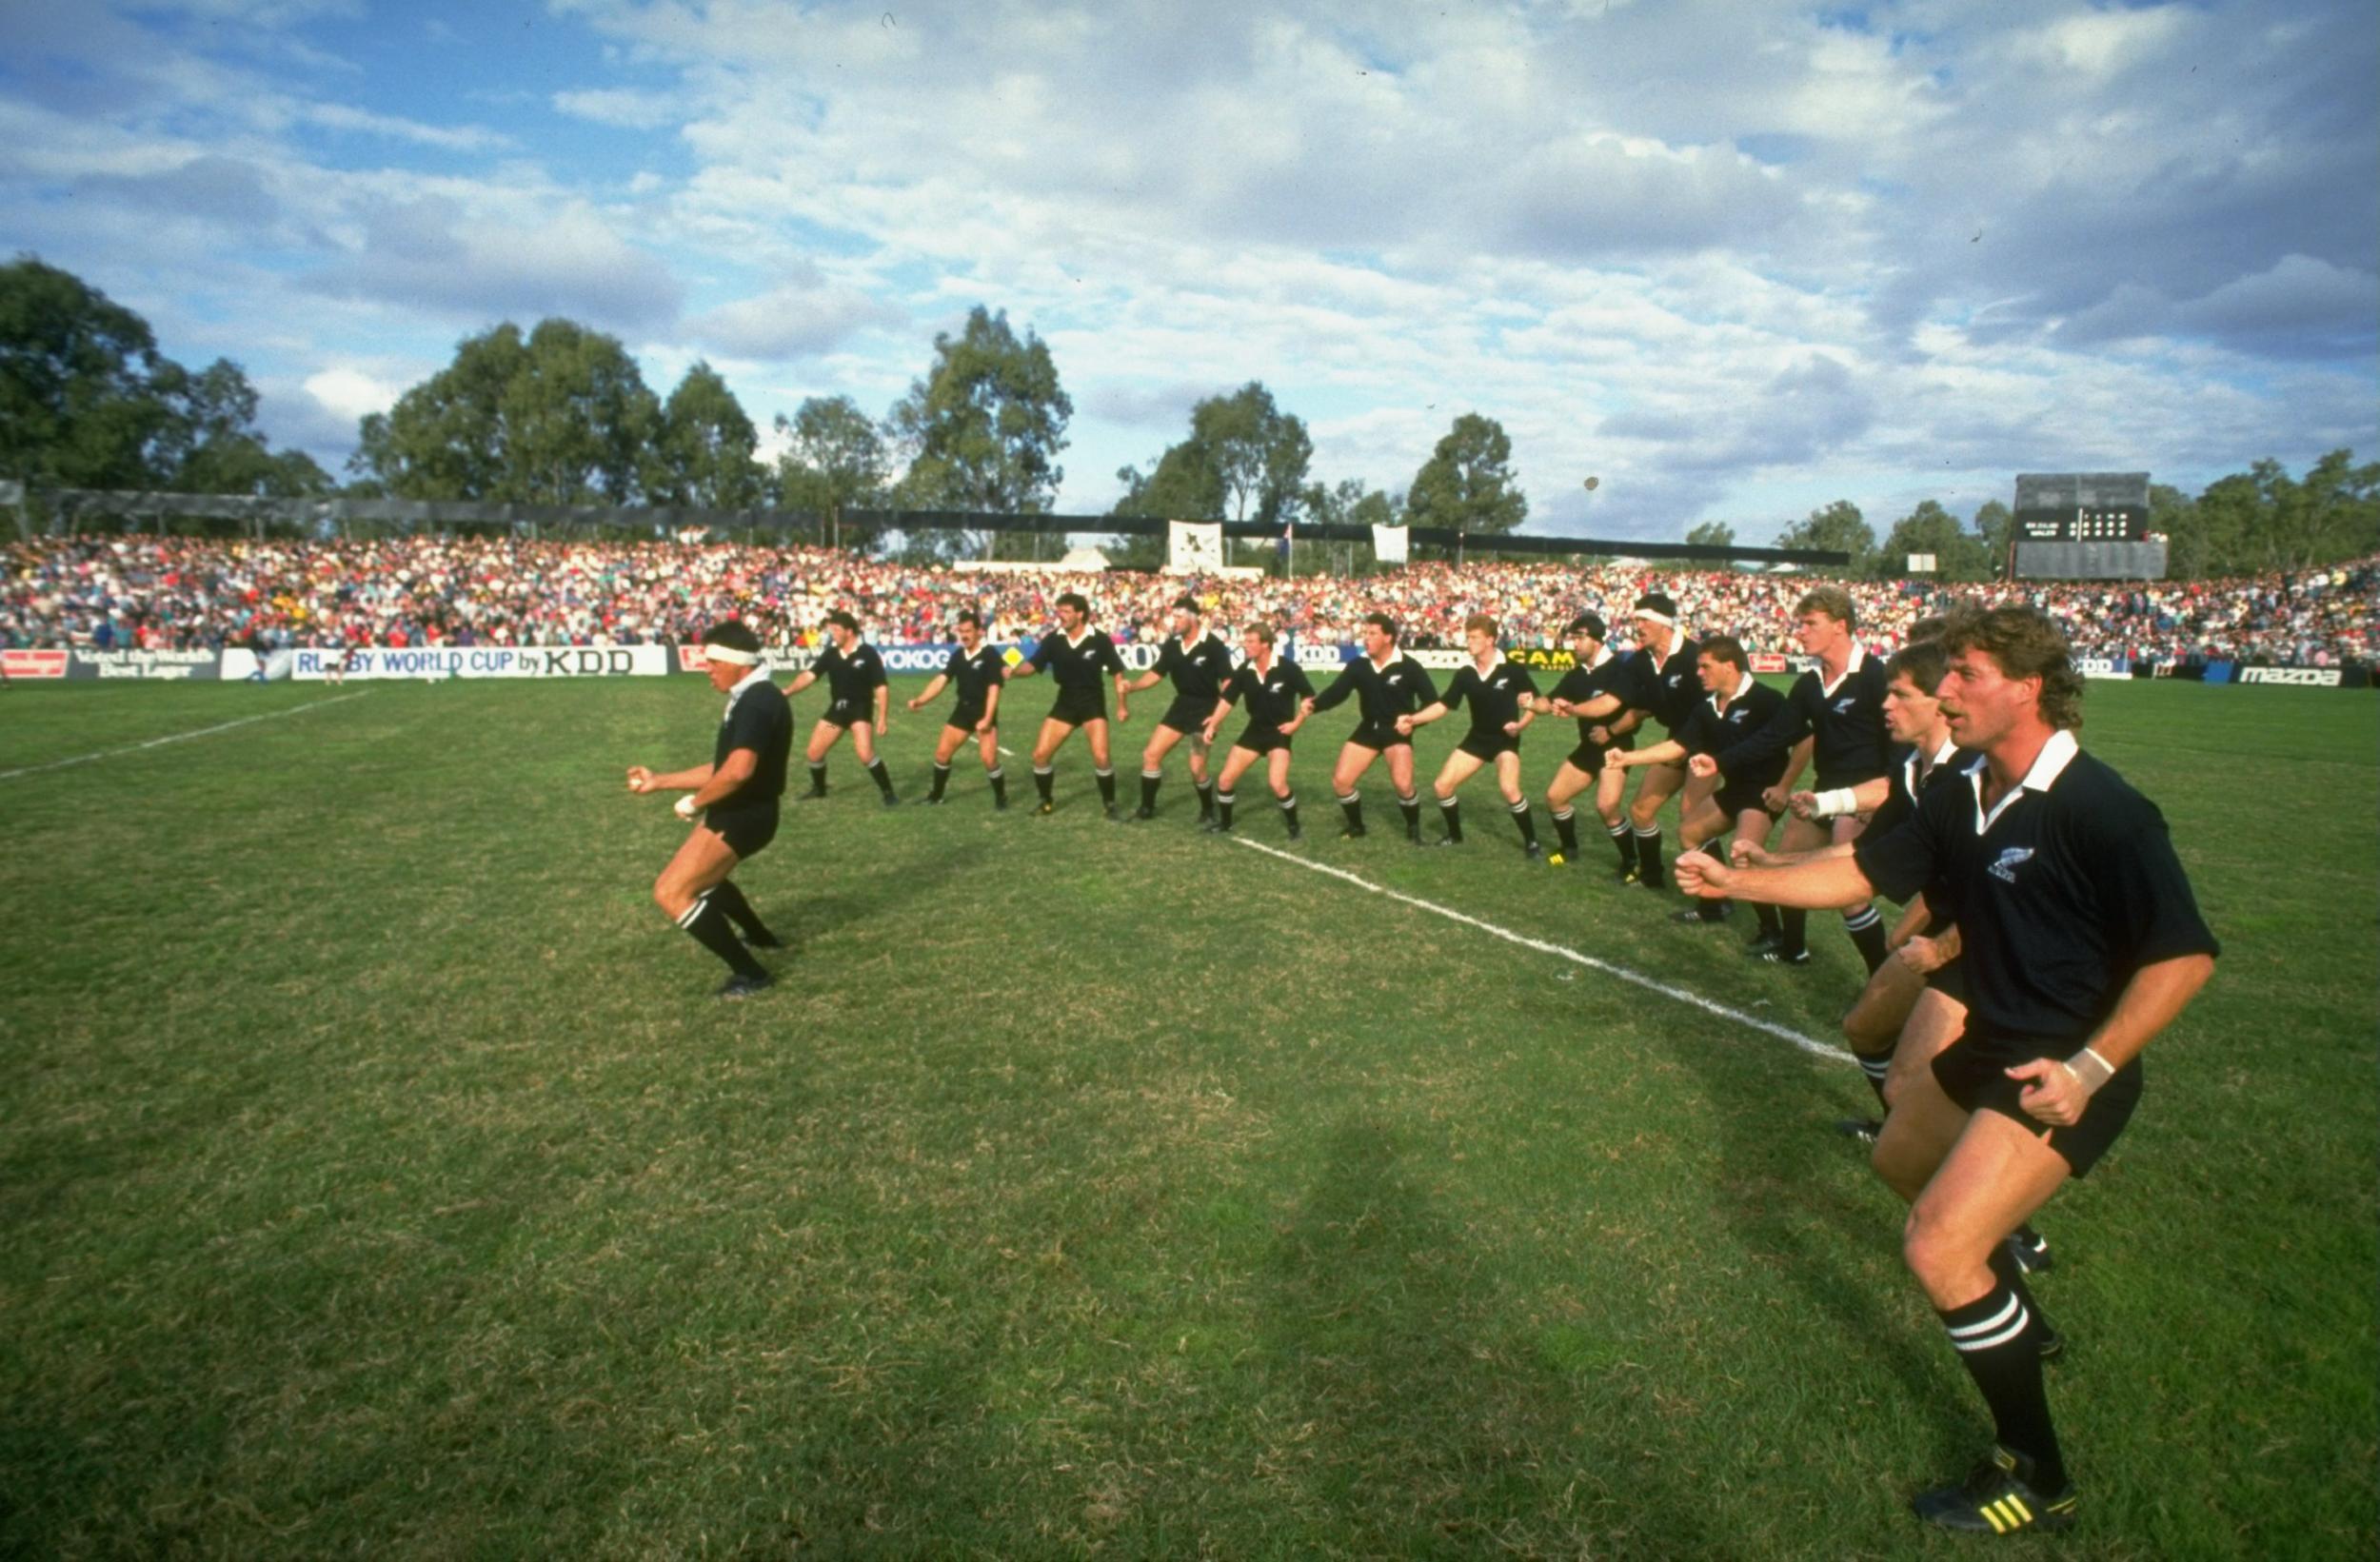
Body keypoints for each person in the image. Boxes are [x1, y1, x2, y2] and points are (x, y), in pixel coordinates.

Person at [1674, 603, 2217, 1535]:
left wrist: (2090, 1064)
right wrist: (1740, 881)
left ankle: (2036, 1475)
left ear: (2026, 687)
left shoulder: (2104, 809)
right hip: (1991, 1042)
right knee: (1894, 1162)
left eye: (1964, 674)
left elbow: (2183, 956)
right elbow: (1861, 874)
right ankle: (2020, 1316)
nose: (1946, 690)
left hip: (2065, 1067)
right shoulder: (1961, 788)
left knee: (1937, 1244)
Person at [1699, 586, 1893, 969]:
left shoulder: (1875, 675)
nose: (1799, 632)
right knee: (1781, 863)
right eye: (1799, 624)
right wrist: (1719, 762)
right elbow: (1777, 734)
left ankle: (1881, 980)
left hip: (1862, 796)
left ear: (1840, 626)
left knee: (1849, 893)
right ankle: (1794, 948)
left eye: (1810, 624)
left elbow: (1899, 745)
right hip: (1823, 791)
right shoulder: (1809, 683)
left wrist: (1882, 799)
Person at [625, 621, 794, 998]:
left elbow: (738, 772)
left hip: (744, 814)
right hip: (740, 810)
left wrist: (695, 802)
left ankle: (751, 974)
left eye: (714, 661)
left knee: (671, 892)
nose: (707, 669)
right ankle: (761, 938)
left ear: (740, 663)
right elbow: (724, 769)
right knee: (706, 880)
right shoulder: (751, 695)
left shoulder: (758, 700)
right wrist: (660, 781)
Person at [1604, 636, 1788, 938]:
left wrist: (1785, 786)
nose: (1699, 673)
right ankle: (1712, 907)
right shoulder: (1707, 708)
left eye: (1705, 666)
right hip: (1735, 788)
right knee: (1690, 832)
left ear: (1729, 666)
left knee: (1744, 856)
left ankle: (1773, 930)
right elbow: (1678, 746)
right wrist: (1628, 756)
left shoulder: (1766, 699)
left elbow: (1806, 740)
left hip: (1764, 791)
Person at [1396, 614, 1543, 856]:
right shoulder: (1466, 673)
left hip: (1505, 740)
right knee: (1442, 786)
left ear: (1490, 640)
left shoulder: (1512, 669)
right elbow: (1444, 706)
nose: (1469, 642)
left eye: (1474, 637)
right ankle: (1455, 835)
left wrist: (1520, 725)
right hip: (1477, 739)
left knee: (1509, 789)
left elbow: (1533, 704)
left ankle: (1532, 842)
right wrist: (1414, 719)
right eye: (1468, 637)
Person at [1301, 611, 1440, 842]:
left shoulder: (1409, 667)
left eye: (1372, 633)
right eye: (1365, 633)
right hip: (1368, 729)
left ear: (1388, 638)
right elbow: (1338, 692)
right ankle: (1356, 826)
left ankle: (1413, 829)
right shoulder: (1359, 665)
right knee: (1341, 782)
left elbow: (1432, 702)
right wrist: (1315, 705)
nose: (1366, 638)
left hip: (1396, 732)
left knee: (1403, 785)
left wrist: (1413, 722)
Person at [1523, 612, 1640, 866]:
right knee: (1555, 797)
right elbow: (1550, 701)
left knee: (1607, 807)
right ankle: (1569, 849)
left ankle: (1631, 861)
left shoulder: (1620, 669)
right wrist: (1533, 704)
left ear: (1597, 640)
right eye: (1572, 638)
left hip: (1615, 747)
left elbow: (1606, 705)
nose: (1574, 643)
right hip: (1588, 747)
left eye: (1579, 637)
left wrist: (1572, 709)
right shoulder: (1578, 674)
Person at [1003, 591, 1131, 819]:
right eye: (1059, 611)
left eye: (1066, 611)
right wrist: (1013, 671)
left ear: (1080, 614)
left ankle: (1109, 804)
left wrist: (1122, 705)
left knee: (1101, 757)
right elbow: (1032, 667)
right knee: (1040, 755)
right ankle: (1046, 802)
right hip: (1065, 702)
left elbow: (1117, 672)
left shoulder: (1099, 639)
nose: (1060, 616)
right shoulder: (1054, 639)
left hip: (1092, 701)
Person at [1611, 592, 1704, 888]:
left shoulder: (1694, 657)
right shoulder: (1641, 660)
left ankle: (1716, 898)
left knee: (1692, 822)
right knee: (1640, 809)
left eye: (1643, 620)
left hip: (1707, 745)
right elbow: (1621, 701)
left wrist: (1687, 746)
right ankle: (1651, 875)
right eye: (1635, 619)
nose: (1636, 626)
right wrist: (1573, 707)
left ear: (1664, 624)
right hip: (1675, 741)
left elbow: (1713, 713)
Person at [1121, 595, 1236, 822]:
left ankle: (1207, 809)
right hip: (1180, 706)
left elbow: (1228, 682)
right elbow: (1156, 673)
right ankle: (1147, 808)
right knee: (1151, 754)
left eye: (1178, 617)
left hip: (1205, 710)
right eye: (1173, 617)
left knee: (1196, 768)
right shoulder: (1172, 645)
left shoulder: (1213, 646)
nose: (1174, 621)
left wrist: (1217, 716)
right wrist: (1132, 687)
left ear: (1192, 619)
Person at [1199, 621, 1315, 839]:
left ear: (1265, 644)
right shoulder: (1245, 670)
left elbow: (1308, 696)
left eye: (1251, 641)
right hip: (1254, 731)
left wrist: (1297, 723)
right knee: (1225, 780)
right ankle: (1225, 823)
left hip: (1279, 733)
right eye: (1245, 641)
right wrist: (1213, 723)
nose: (1245, 645)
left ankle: (1293, 825)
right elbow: (1227, 700)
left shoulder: (1288, 669)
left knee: (1277, 783)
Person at [779, 609, 898, 807]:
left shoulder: (867, 653)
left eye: (836, 629)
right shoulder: (831, 654)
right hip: (838, 713)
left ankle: (889, 793)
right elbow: (809, 675)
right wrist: (788, 692)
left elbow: (881, 686)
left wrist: (882, 718)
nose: (832, 633)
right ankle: (819, 789)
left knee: (865, 754)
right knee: (814, 753)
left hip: (859, 711)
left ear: (849, 631)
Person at [905, 609, 1008, 808]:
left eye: (969, 631)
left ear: (979, 632)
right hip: (962, 710)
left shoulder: (990, 655)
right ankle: (936, 796)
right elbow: (941, 680)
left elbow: (994, 688)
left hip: (983, 711)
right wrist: (921, 700)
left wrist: (987, 718)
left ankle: (1001, 796)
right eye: (961, 631)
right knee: (942, 755)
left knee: (989, 760)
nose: (964, 635)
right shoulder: (958, 656)